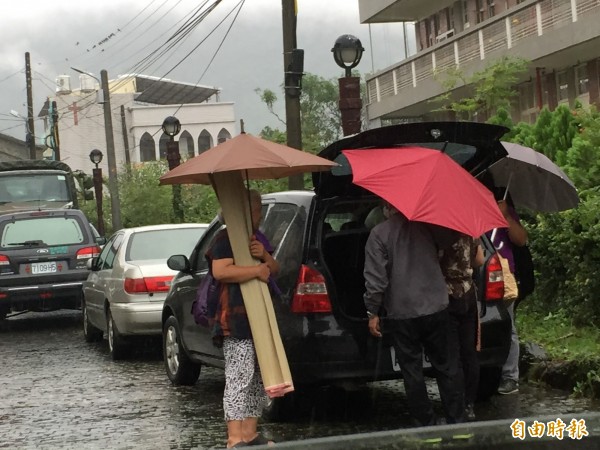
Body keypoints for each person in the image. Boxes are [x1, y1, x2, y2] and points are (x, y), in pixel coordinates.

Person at [363, 202, 464, 426]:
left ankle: (426, 424)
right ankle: (458, 423)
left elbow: (376, 279)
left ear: (386, 209)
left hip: (402, 311)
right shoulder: (427, 226)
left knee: (411, 370)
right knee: (448, 366)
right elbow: (450, 240)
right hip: (436, 305)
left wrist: (373, 311)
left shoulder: (378, 234)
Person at [207, 189, 280, 448]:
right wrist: (256, 270)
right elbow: (221, 271)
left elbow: (274, 269)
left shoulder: (256, 238)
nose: (261, 214)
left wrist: (265, 256)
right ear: (244, 213)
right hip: (235, 318)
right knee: (240, 377)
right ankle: (234, 438)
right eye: (258, 209)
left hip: (258, 317)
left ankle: (250, 432)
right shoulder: (224, 238)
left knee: (258, 377)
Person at [440, 235, 484, 421]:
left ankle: (456, 406)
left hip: (447, 294)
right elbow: (480, 260)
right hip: (468, 293)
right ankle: (469, 404)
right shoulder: (470, 229)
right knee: (469, 352)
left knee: (453, 355)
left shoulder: (438, 232)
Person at [489, 187, 528, 395]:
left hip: (504, 277)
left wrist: (505, 216)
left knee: (508, 326)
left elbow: (521, 239)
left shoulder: (504, 209)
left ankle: (510, 377)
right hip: (475, 275)